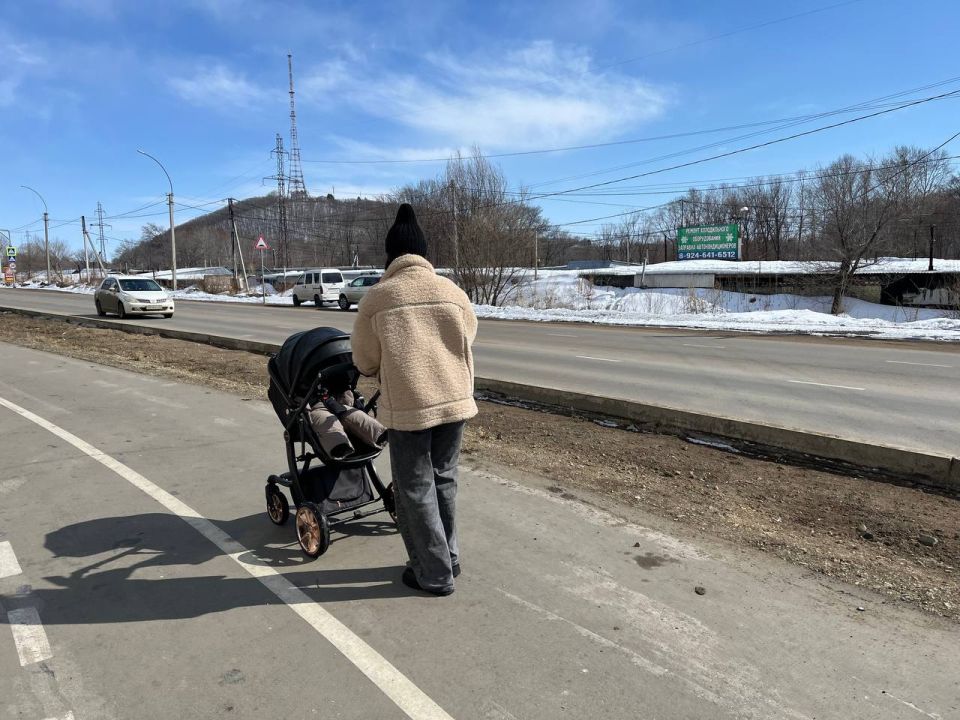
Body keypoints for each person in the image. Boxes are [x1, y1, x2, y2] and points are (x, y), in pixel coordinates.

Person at [352, 203, 478, 596]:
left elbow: (364, 359)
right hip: (455, 402)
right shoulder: (452, 291)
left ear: (391, 255)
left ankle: (434, 572)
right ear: (424, 254)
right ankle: (449, 557)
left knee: (415, 487)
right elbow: (468, 336)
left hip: (409, 407)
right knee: (444, 480)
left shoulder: (378, 297)